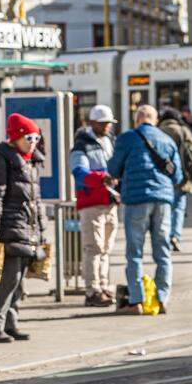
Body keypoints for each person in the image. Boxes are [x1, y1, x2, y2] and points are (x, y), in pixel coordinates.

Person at [108, 105, 182, 315]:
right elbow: (177, 177)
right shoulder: (167, 140)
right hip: (163, 201)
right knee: (163, 252)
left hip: (136, 200)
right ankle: (162, 298)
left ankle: (137, 300)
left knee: (135, 253)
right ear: (155, 120)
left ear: (137, 120)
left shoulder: (127, 138)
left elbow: (113, 169)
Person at [0, 114, 46, 342]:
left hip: (27, 230)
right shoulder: (2, 162)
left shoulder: (30, 163)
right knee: (10, 279)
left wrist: (41, 229)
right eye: (29, 137)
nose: (33, 142)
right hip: (10, 229)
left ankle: (11, 323)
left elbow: (36, 201)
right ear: (16, 138)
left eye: (36, 137)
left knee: (20, 281)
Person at [70, 105, 118, 307]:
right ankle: (92, 290)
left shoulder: (109, 141)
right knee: (94, 248)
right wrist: (103, 178)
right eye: (104, 123)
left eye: (109, 123)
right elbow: (79, 172)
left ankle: (104, 286)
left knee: (106, 247)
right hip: (92, 202)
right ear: (93, 123)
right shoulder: (81, 145)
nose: (108, 126)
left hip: (110, 202)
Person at [158, 107, 192, 252]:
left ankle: (164, 236)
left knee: (164, 209)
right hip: (182, 176)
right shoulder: (184, 131)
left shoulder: (158, 132)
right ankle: (175, 236)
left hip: (162, 176)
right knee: (178, 208)